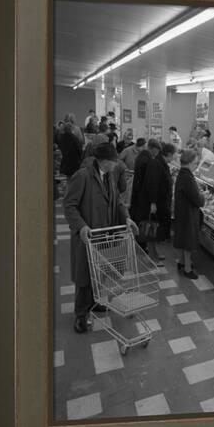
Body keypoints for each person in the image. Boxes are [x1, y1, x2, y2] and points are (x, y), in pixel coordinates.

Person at [63, 142, 138, 333]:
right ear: (104, 161)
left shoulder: (109, 176)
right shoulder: (83, 176)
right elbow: (69, 205)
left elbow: (118, 201)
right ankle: (80, 316)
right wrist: (81, 226)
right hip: (88, 237)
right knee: (85, 278)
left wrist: (127, 219)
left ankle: (95, 303)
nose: (116, 165)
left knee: (99, 274)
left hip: (105, 236)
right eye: (113, 161)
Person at [135, 142, 176, 264]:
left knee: (156, 229)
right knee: (152, 229)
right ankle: (152, 256)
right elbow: (152, 184)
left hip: (159, 202)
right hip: (155, 203)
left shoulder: (160, 163)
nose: (174, 158)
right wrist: (153, 203)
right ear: (168, 154)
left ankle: (155, 253)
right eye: (173, 155)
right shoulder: (156, 164)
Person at [173, 150, 205, 279]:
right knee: (188, 241)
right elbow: (197, 199)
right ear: (190, 163)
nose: (196, 165)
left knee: (182, 237)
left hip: (181, 211)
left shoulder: (182, 174)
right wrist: (202, 196)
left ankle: (181, 262)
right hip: (188, 213)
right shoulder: (188, 177)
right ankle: (187, 268)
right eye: (196, 163)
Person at [129, 138, 161, 223]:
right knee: (142, 220)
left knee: (136, 216)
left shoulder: (140, 156)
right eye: (157, 151)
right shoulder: (149, 161)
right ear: (154, 149)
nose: (157, 154)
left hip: (137, 192)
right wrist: (153, 201)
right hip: (144, 195)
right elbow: (150, 182)